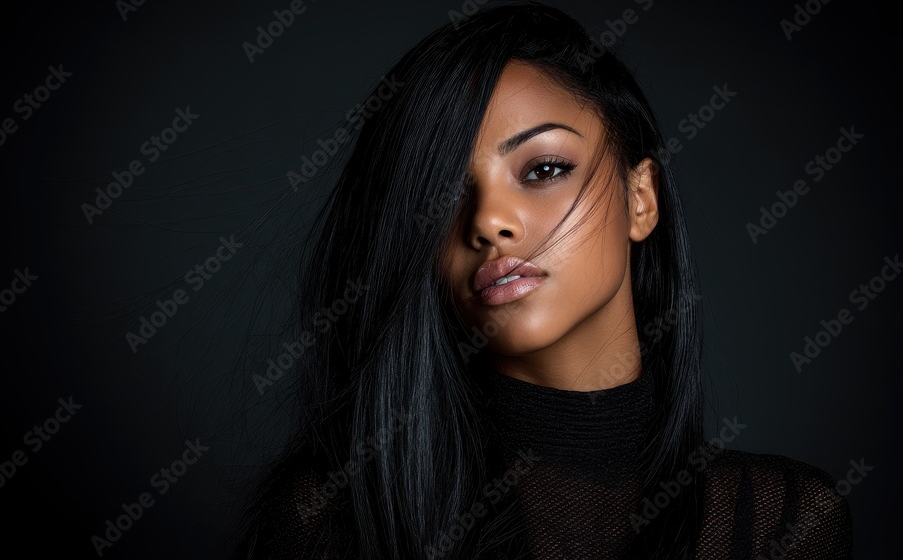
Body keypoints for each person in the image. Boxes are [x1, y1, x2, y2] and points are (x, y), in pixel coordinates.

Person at [232, 2, 853, 558]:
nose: (489, 221)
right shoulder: (333, 516)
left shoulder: (787, 521)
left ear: (641, 200)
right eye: (441, 195)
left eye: (544, 169)